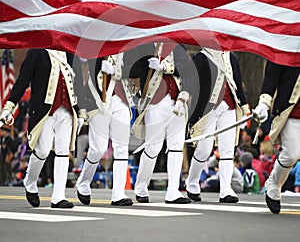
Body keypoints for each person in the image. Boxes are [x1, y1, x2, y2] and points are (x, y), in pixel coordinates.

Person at [0, 49, 84, 208]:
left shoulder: (70, 53)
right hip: (43, 111)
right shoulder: (37, 52)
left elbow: (77, 84)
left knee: (63, 151)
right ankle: (30, 181)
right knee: (43, 151)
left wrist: (81, 111)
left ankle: (59, 196)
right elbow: (23, 80)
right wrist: (9, 106)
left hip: (67, 111)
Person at [185, 49, 249, 203]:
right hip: (207, 110)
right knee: (204, 150)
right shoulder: (201, 58)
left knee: (227, 149)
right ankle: (192, 182)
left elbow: (238, 85)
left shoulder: (232, 57)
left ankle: (226, 189)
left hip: (229, 107)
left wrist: (245, 108)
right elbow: (190, 83)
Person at [133, 42, 193, 204]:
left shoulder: (178, 45)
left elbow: (187, 69)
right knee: (153, 146)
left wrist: (165, 66)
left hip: (177, 101)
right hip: (155, 102)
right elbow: (134, 70)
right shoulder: (144, 44)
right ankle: (141, 186)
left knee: (176, 146)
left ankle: (173, 190)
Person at [76, 51, 137, 206]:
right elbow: (87, 68)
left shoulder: (126, 43)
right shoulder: (96, 43)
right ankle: (83, 182)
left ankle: (118, 193)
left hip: (121, 99)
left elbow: (135, 68)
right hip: (98, 100)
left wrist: (116, 71)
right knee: (98, 148)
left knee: (122, 147)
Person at [253, 60, 300, 214]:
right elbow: (271, 76)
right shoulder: (284, 46)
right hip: (291, 111)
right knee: (291, 154)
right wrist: (264, 104)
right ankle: (274, 183)